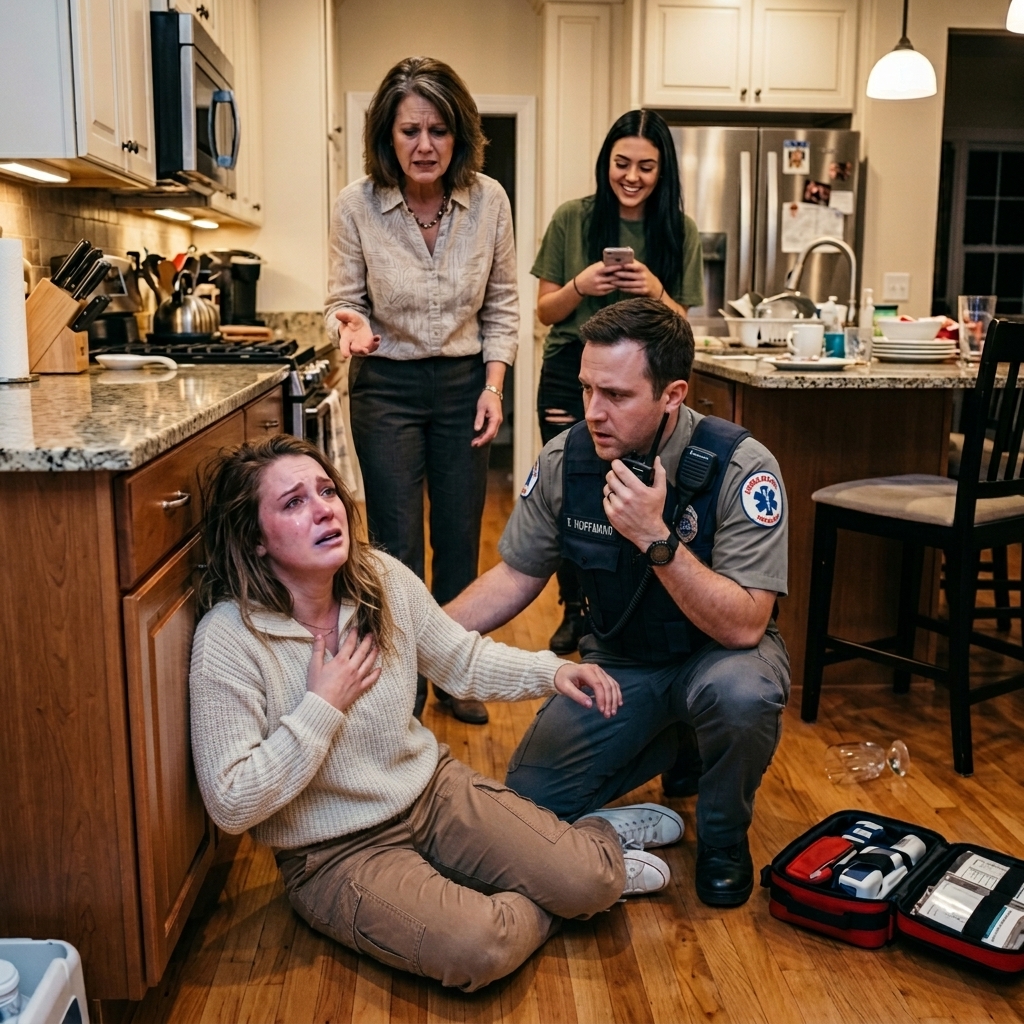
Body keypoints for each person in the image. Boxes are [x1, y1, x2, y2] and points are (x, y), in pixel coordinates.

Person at [189, 435, 686, 992]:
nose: (325, 508)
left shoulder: (379, 579)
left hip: (431, 793)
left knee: (591, 882)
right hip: (335, 854)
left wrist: (551, 672)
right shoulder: (229, 639)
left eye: (326, 490)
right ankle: (552, 882)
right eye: (293, 502)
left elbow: (460, 658)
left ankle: (588, 846)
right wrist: (321, 706)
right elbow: (231, 803)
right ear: (256, 539)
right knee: (480, 948)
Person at [446, 298, 791, 908]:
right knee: (530, 802)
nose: (594, 413)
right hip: (621, 666)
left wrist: (657, 539)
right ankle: (679, 740)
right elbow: (514, 577)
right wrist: (417, 633)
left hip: (716, 659)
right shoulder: (567, 459)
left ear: (672, 394)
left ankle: (722, 838)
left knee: (741, 695)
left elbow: (746, 625)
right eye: (586, 390)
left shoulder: (741, 466)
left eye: (617, 395)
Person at [324, 56, 515, 725]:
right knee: (397, 543)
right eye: (410, 131)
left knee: (460, 538)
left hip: (465, 383)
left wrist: (494, 385)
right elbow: (342, 301)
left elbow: (504, 304)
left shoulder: (490, 201)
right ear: (388, 135)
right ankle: (401, 680)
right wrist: (346, 327)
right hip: (387, 387)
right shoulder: (356, 205)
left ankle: (455, 673)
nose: (425, 145)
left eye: (438, 129)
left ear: (458, 134)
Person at [532, 109, 705, 655]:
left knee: (640, 485)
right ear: (606, 162)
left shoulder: (680, 231)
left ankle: (633, 598)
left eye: (646, 167)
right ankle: (575, 607)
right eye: (621, 163)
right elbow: (544, 311)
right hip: (570, 371)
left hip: (644, 378)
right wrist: (582, 283)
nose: (631, 177)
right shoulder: (571, 218)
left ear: (663, 171)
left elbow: (683, 327)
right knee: (571, 486)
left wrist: (653, 288)